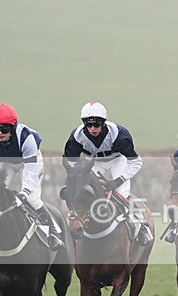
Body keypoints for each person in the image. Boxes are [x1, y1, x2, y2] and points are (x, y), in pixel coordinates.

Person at [0, 103, 64, 251]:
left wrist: (25, 192)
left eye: (4, 129)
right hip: (6, 163)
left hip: (28, 163)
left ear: (13, 127)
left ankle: (54, 232)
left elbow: (30, 170)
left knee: (32, 198)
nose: (0, 133)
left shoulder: (27, 138)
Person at [63, 101, 152, 245]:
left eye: (96, 125)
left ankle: (142, 226)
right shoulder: (77, 136)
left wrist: (118, 181)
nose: (92, 129)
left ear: (104, 122)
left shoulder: (120, 135)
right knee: (84, 194)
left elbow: (136, 162)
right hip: (94, 163)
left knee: (122, 194)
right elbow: (71, 163)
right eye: (88, 125)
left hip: (117, 162)